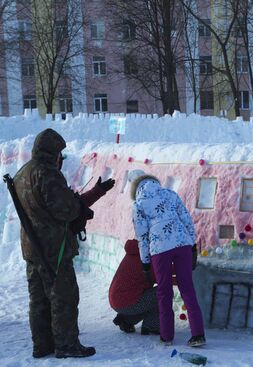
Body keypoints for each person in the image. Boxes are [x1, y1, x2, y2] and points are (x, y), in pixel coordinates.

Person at [13, 128, 115, 358]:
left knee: (38, 300)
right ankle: (66, 345)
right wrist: (78, 207)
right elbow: (66, 210)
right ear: (53, 153)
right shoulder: (47, 174)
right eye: (60, 153)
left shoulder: (23, 172)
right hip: (53, 248)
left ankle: (42, 345)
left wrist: (94, 193)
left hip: (32, 247)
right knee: (63, 297)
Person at [128, 170, 205, 347]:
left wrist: (145, 264)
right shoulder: (170, 194)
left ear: (134, 187)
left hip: (159, 248)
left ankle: (167, 336)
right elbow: (187, 220)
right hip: (182, 243)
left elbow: (143, 237)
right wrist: (192, 247)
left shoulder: (138, 205)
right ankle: (198, 334)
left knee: (164, 292)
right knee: (187, 288)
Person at [109, 239, 160, 335]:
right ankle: (151, 326)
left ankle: (126, 320)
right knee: (162, 292)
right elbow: (162, 277)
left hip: (118, 300)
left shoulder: (136, 252)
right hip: (127, 301)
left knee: (149, 300)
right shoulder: (146, 258)